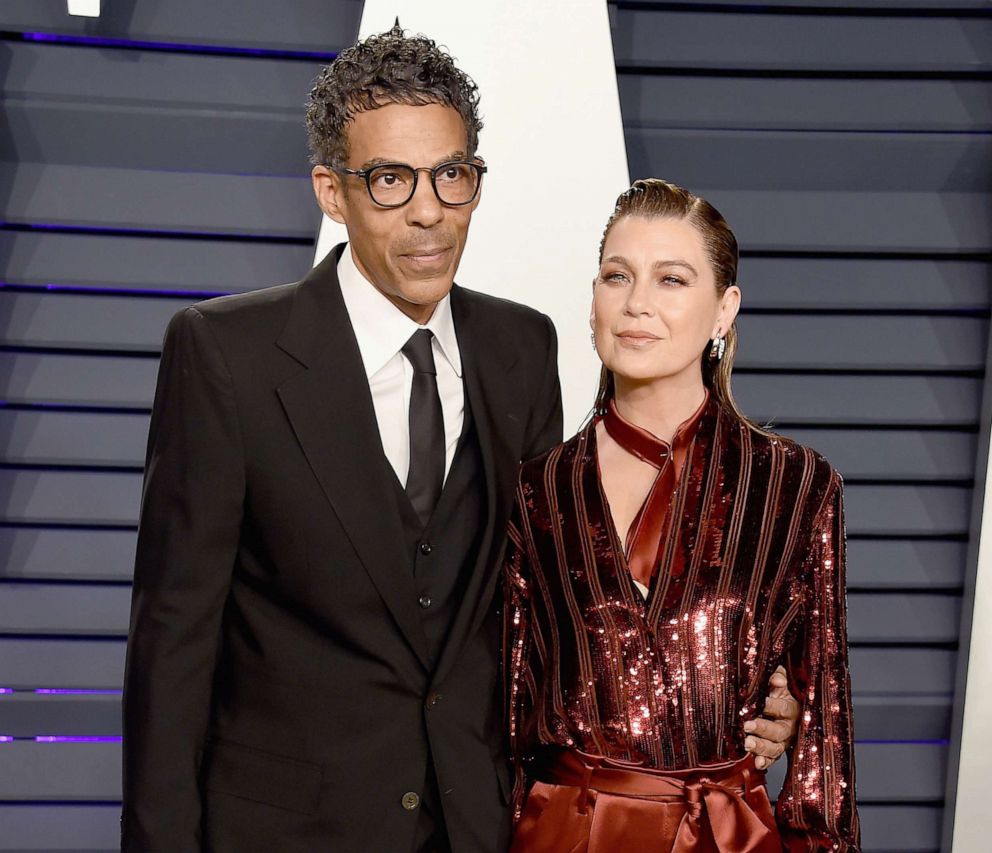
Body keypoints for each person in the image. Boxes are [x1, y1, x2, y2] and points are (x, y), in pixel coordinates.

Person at [121, 24, 798, 853]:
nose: (429, 212)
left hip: (478, 825)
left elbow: (551, 615)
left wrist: (740, 695)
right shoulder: (226, 355)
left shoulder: (519, 350)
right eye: (390, 180)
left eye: (451, 175)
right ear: (331, 192)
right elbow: (171, 651)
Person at [504, 179, 860, 852]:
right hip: (563, 834)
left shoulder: (799, 487)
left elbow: (824, 753)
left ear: (724, 309)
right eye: (617, 275)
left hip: (725, 836)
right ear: (593, 300)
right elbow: (500, 721)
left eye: (672, 279)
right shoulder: (535, 492)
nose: (636, 303)